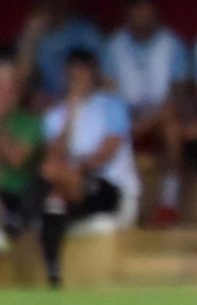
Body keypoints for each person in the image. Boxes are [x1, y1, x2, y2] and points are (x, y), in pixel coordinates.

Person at [39, 49, 140, 288]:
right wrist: (71, 110)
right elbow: (55, 154)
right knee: (53, 191)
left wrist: (76, 171)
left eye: (84, 72)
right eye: (74, 72)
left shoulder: (112, 105)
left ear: (93, 74)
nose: (79, 78)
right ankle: (54, 273)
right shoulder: (55, 115)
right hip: (73, 190)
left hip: (110, 186)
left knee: (55, 185)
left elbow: (107, 151)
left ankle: (54, 266)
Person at [103, 0, 194, 228]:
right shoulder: (114, 46)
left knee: (173, 128)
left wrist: (149, 122)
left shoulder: (172, 44)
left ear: (156, 14)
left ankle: (168, 201)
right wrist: (127, 121)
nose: (141, 18)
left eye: (146, 12)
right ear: (127, 15)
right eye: (136, 13)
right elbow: (109, 94)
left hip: (162, 114)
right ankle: (119, 205)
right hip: (125, 115)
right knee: (106, 131)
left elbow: (178, 96)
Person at [15, 0, 102, 106]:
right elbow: (19, 84)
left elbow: (101, 79)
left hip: (84, 102)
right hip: (43, 107)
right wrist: (31, 38)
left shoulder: (85, 32)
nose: (53, 2)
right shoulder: (32, 34)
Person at [0, 48, 44, 241]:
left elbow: (16, 158)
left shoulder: (31, 123)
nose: (4, 94)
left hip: (16, 199)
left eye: (8, 87)